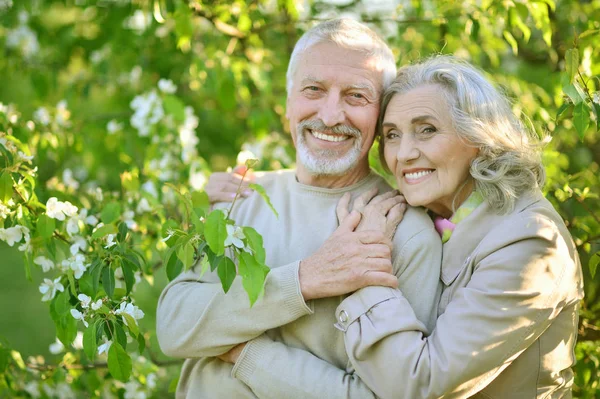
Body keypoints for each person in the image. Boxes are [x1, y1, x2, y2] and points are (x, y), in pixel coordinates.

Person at [156, 19, 443, 398]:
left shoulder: (404, 232)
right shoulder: (239, 196)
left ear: (380, 117)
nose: (330, 115)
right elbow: (173, 329)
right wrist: (305, 279)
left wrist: (246, 353)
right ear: (287, 102)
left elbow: (385, 395)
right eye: (314, 90)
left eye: (356, 96)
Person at [330, 55, 584, 398]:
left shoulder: (531, 242)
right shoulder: (429, 215)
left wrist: (364, 266)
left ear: (479, 136)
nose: (403, 153)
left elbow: (422, 384)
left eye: (427, 130)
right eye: (391, 135)